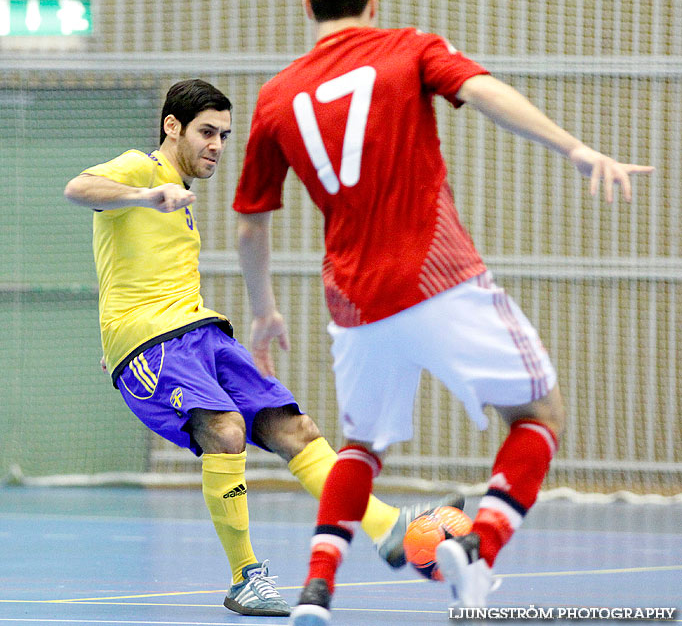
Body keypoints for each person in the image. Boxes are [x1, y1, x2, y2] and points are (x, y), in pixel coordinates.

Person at [231, 0, 655, 624]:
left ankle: (317, 587)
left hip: (353, 302)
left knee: (362, 448)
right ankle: (479, 553)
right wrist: (574, 148)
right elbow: (484, 92)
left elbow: (251, 225)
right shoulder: (408, 47)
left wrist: (264, 311)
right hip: (438, 278)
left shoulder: (276, 97)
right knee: (539, 414)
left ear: (307, 4)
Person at [63, 78, 462, 618]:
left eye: (225, 135)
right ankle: (246, 577)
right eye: (207, 132)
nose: (217, 145)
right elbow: (79, 188)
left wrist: (261, 314)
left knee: (297, 430)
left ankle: (387, 526)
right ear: (171, 127)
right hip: (152, 344)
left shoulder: (182, 195)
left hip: (202, 333)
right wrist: (144, 195)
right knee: (226, 431)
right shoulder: (142, 169)